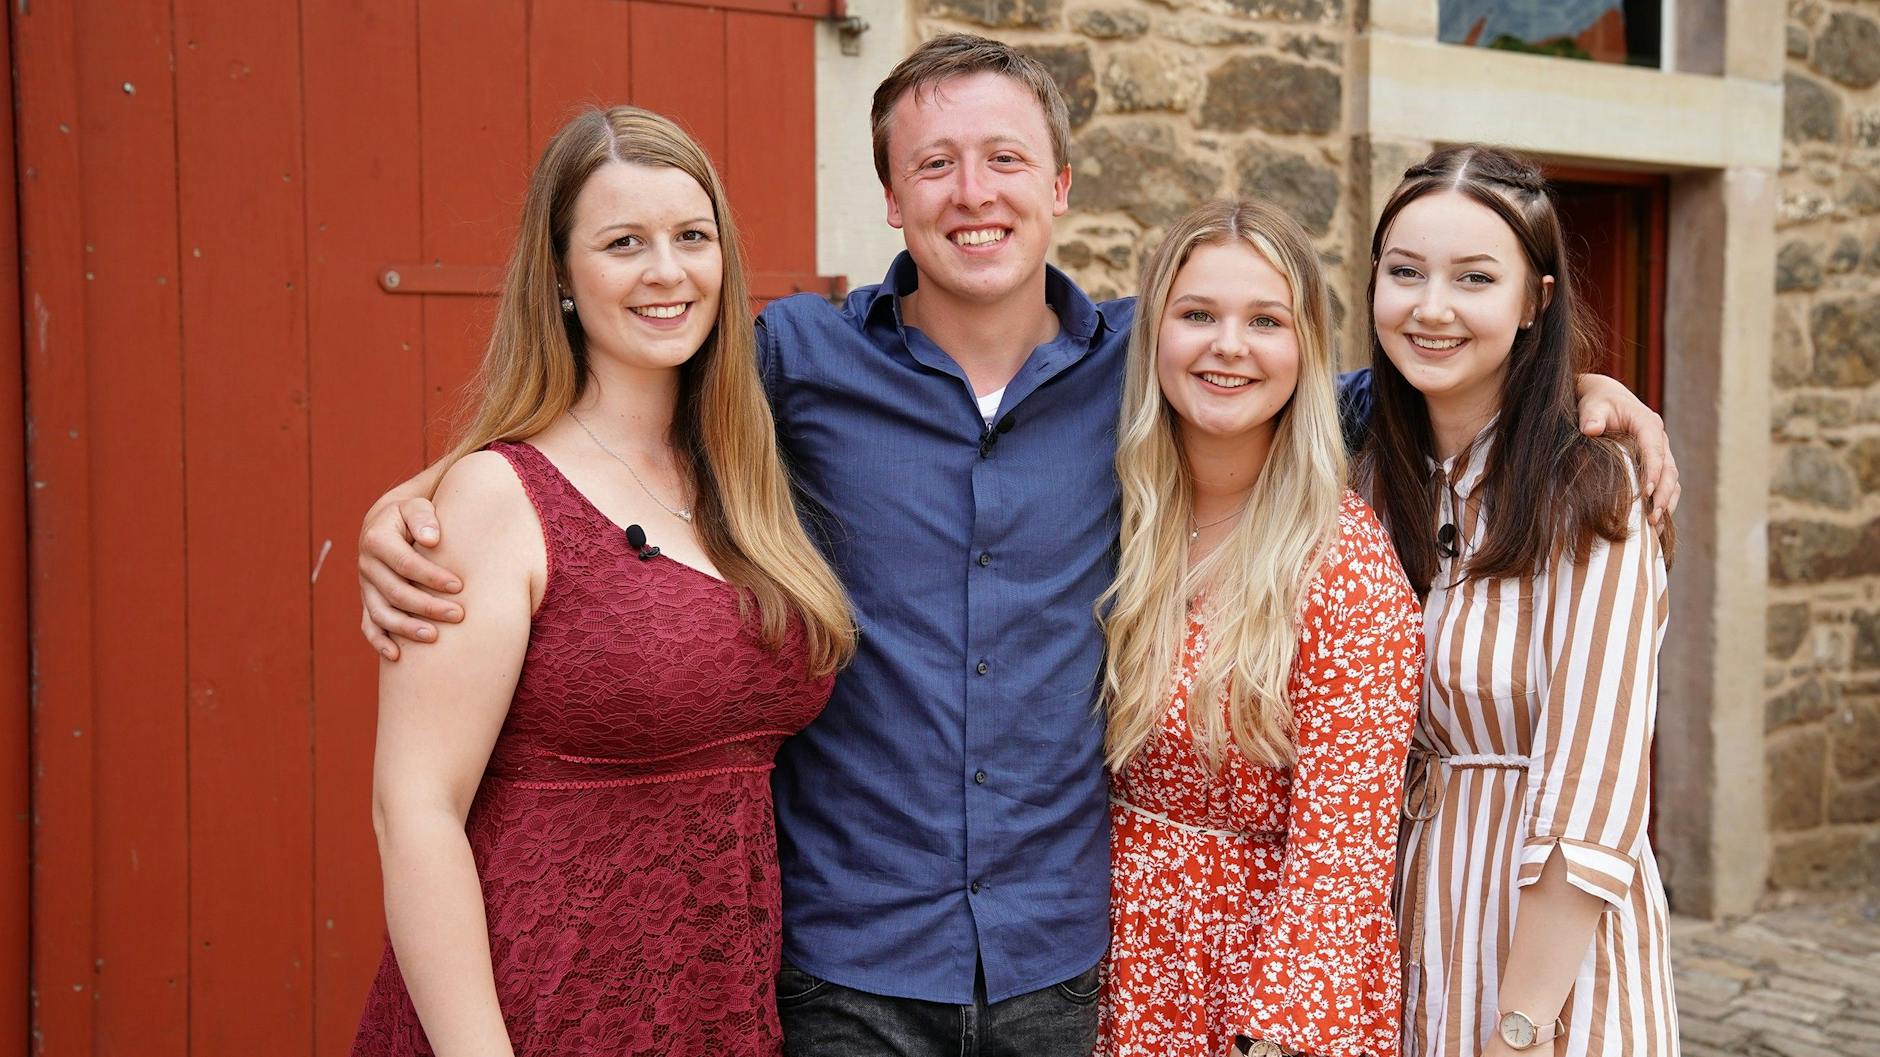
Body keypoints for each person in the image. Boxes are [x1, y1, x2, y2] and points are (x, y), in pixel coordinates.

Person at [354, 36, 1681, 1056]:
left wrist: (1587, 397)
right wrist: (418, 501)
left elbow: (1355, 377)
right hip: (844, 964)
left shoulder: (1150, 370)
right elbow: (611, 421)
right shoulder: (790, 371)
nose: (971, 192)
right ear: (888, 196)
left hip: (1068, 965)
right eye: (934, 164)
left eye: (1002, 161)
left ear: (1056, 186)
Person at [349, 106, 854, 1057]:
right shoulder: (499, 497)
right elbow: (412, 808)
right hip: (536, 1004)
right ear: (561, 277)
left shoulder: (742, 480)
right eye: (624, 243)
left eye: (691, 238)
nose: (667, 271)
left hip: (717, 1007)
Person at [1360, 145, 1678, 1057]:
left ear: (1535, 299)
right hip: (1404, 941)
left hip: (1547, 963)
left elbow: (1594, 782)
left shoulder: (1592, 488)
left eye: (1474, 278)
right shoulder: (1367, 480)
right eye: (1405, 271)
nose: (1431, 307)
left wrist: (1522, 1021)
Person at [1098, 198, 1422, 1057]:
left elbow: (1341, 858)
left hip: (1258, 991)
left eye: (1265, 320)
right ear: (1153, 334)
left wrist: (1272, 1036)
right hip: (1109, 970)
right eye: (1197, 313)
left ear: (1306, 348)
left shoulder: (1343, 562)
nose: (1228, 345)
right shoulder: (1117, 523)